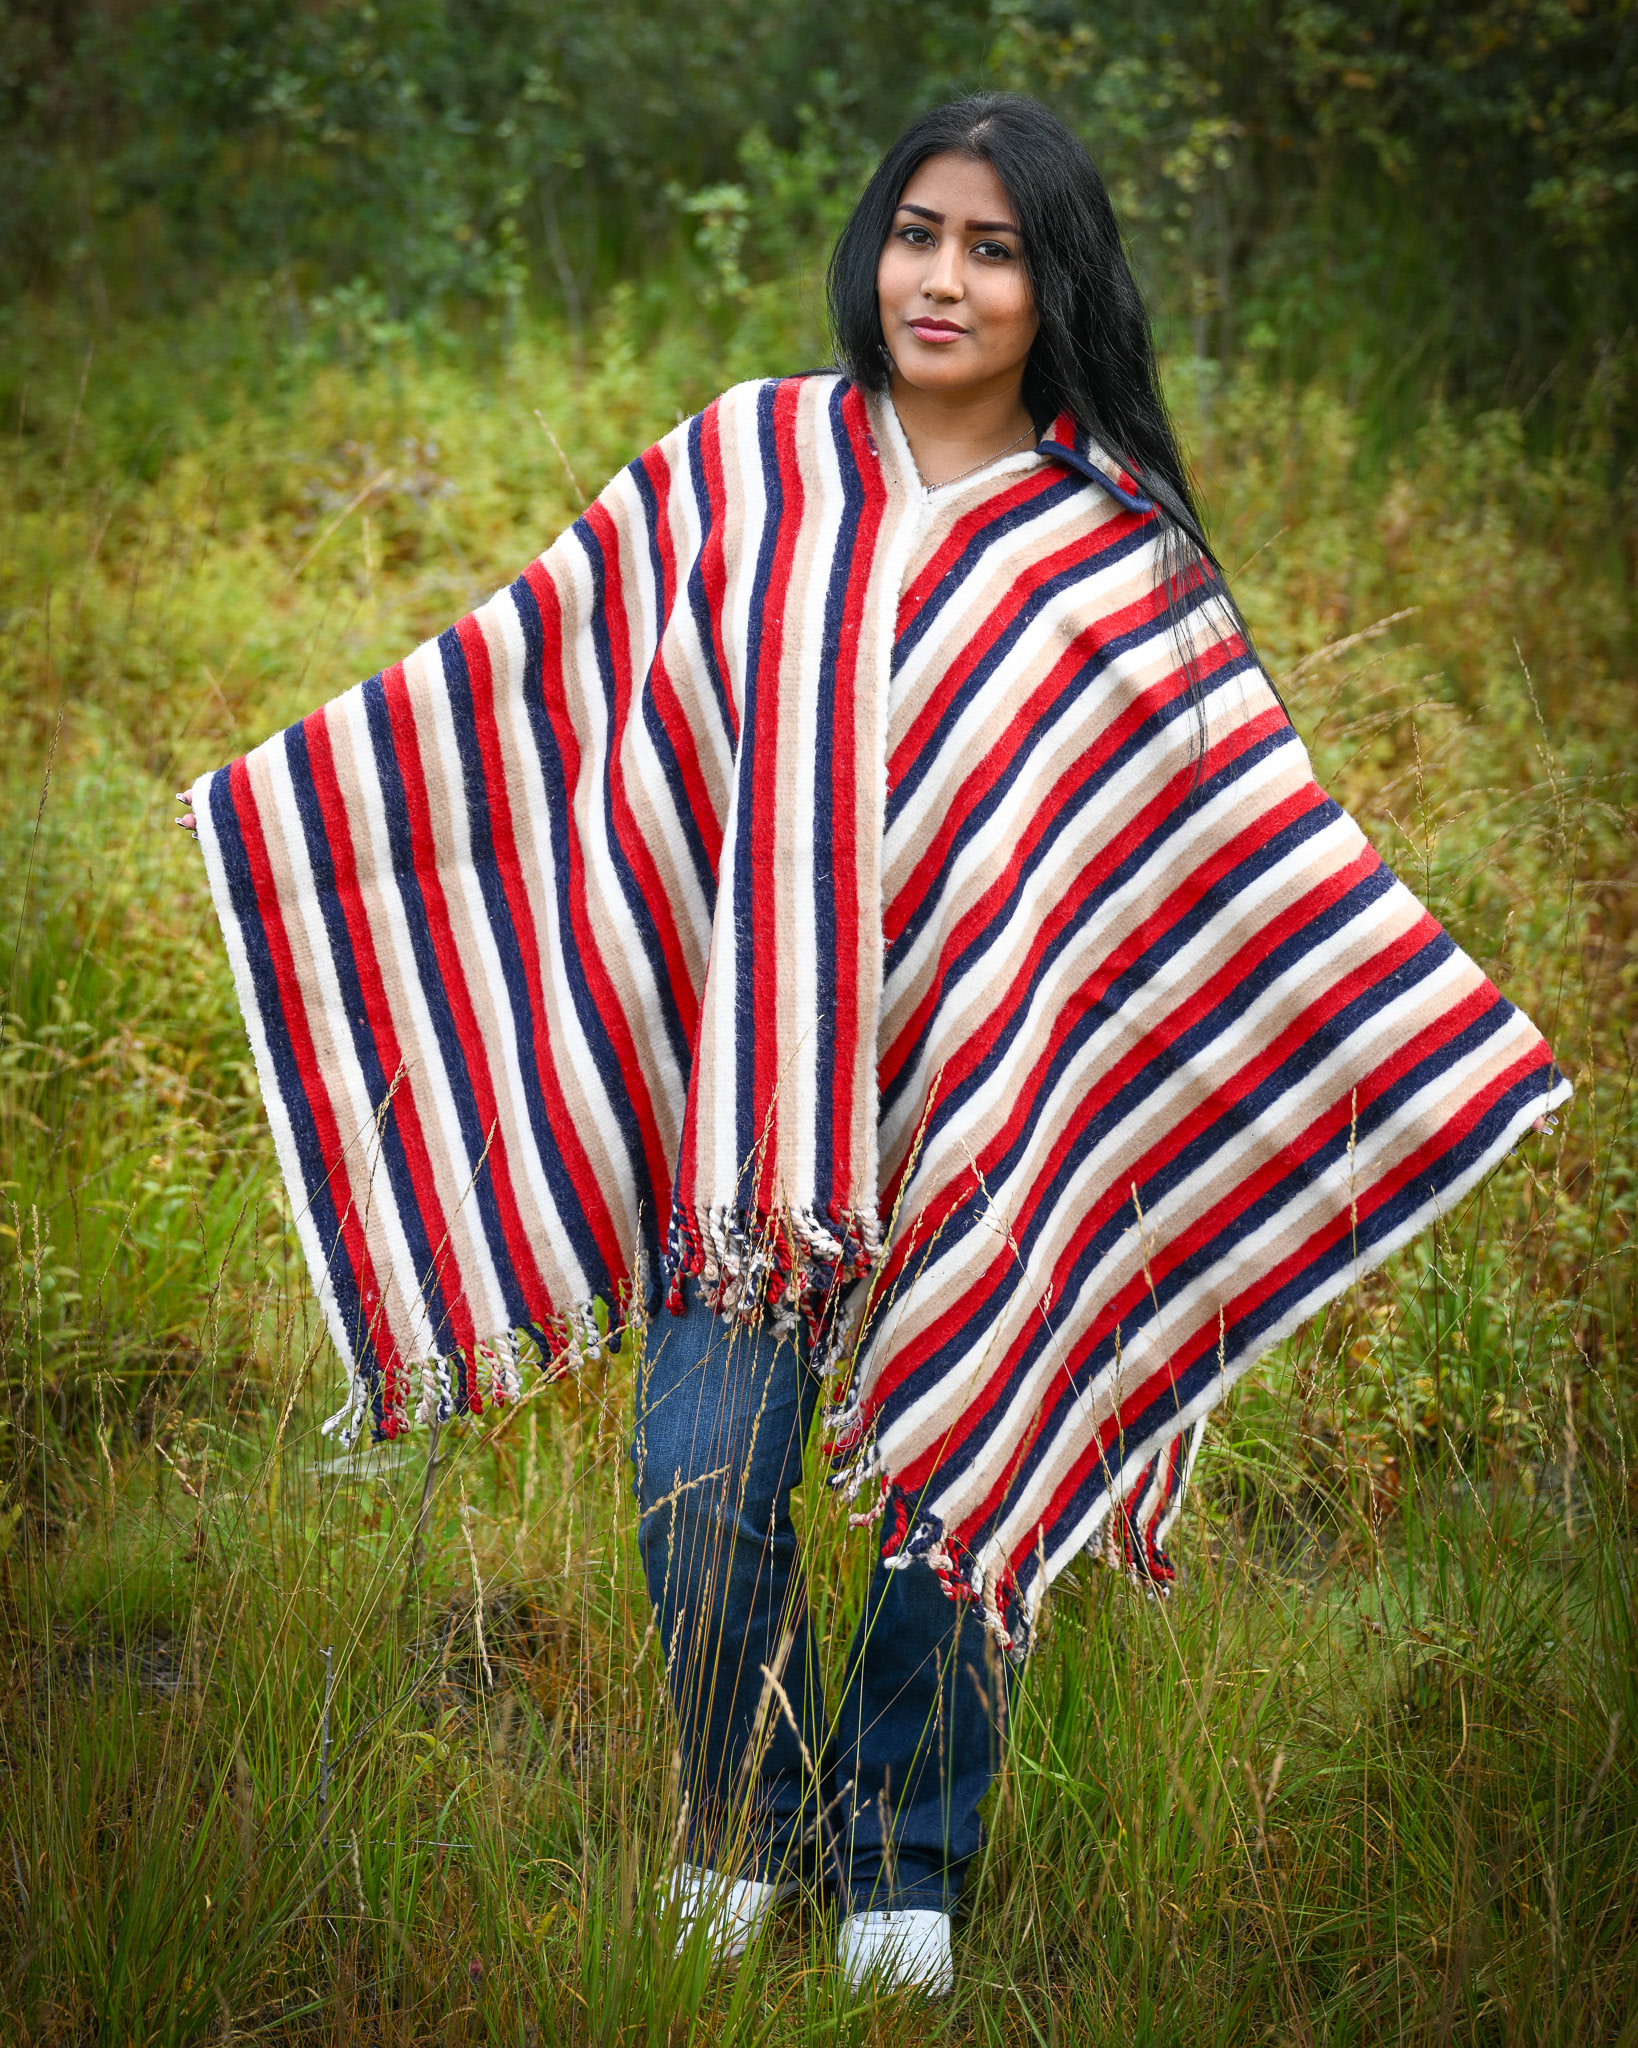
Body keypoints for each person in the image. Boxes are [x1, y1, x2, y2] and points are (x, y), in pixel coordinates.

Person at [177, 95, 1566, 1996]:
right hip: (747, 1123)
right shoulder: (743, 462)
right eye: (919, 232)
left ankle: (902, 1858)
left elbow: (1239, 838)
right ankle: (741, 1824)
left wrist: (1420, 1041)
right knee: (701, 1479)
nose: (943, 277)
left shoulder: (1110, 554)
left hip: (1000, 1121)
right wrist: (309, 808)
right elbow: (545, 682)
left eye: (993, 249)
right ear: (871, 244)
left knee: (959, 1475)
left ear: (1051, 281)